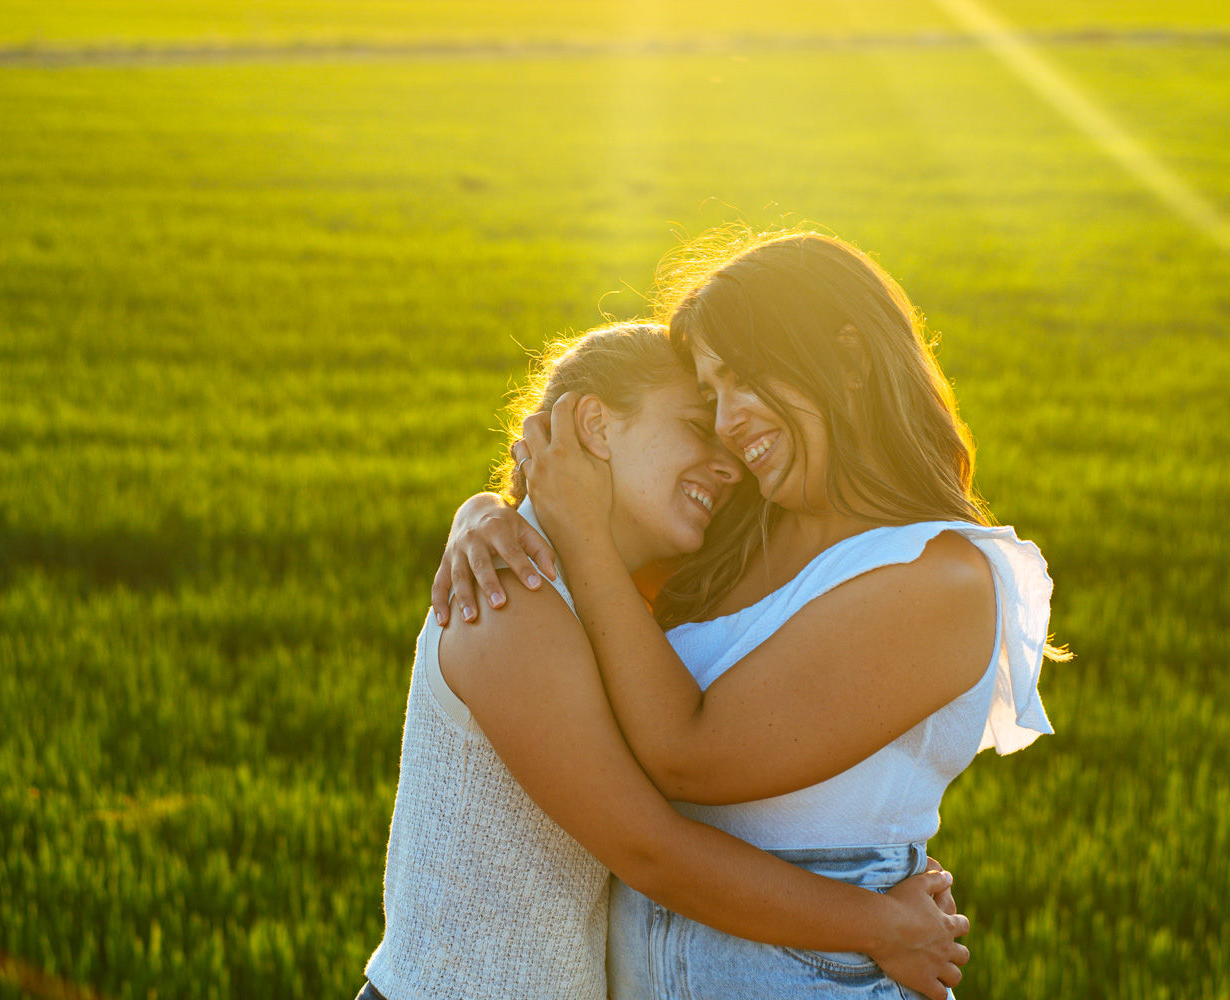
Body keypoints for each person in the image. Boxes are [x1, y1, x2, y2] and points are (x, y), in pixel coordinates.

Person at [434, 230, 1062, 999]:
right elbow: (578, 606)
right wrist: (487, 514)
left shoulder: (942, 579)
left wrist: (578, 531)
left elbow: (687, 755)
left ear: (849, 360)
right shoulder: (738, 536)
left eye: (742, 380)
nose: (728, 424)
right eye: (709, 397)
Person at [358, 321, 970, 1000]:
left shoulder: (605, 603)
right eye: (695, 427)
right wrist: (881, 924)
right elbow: (650, 849)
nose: (731, 465)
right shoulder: (511, 599)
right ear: (594, 424)